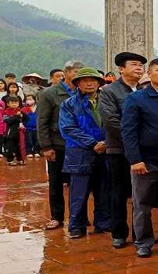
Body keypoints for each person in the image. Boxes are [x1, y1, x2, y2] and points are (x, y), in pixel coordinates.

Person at [121, 58, 158, 257]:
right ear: (150, 74)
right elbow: (128, 131)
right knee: (142, 203)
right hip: (146, 161)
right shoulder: (137, 98)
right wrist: (135, 159)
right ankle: (143, 241)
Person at [99, 51, 146, 249]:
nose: (138, 68)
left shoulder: (145, 91)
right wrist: (134, 140)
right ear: (121, 69)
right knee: (119, 192)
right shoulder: (110, 91)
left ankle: (140, 234)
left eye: (141, 65)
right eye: (134, 64)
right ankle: (119, 233)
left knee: (141, 194)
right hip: (119, 150)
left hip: (143, 150)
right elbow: (111, 121)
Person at [58, 68, 110, 238]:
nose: (89, 83)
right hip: (80, 153)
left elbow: (115, 123)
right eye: (85, 80)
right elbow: (68, 128)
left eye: (93, 80)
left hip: (105, 152)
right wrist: (93, 143)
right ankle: (76, 226)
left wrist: (107, 143)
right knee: (79, 193)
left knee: (103, 190)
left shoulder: (107, 101)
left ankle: (103, 223)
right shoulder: (69, 104)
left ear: (99, 83)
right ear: (77, 84)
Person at [36, 62, 81, 230]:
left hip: (78, 144)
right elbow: (42, 121)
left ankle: (78, 216)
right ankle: (57, 216)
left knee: (77, 182)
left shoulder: (82, 92)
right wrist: (46, 147)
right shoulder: (49, 93)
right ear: (66, 72)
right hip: (58, 144)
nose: (78, 75)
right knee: (56, 182)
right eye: (75, 72)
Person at [2, 94, 25, 165]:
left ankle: (20, 159)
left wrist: (23, 115)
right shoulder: (6, 112)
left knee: (19, 147)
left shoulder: (20, 110)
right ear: (8, 104)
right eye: (12, 103)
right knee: (9, 147)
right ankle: (10, 160)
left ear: (18, 103)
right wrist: (16, 116)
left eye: (16, 102)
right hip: (9, 134)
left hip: (19, 133)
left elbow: (27, 119)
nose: (14, 104)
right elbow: (8, 121)